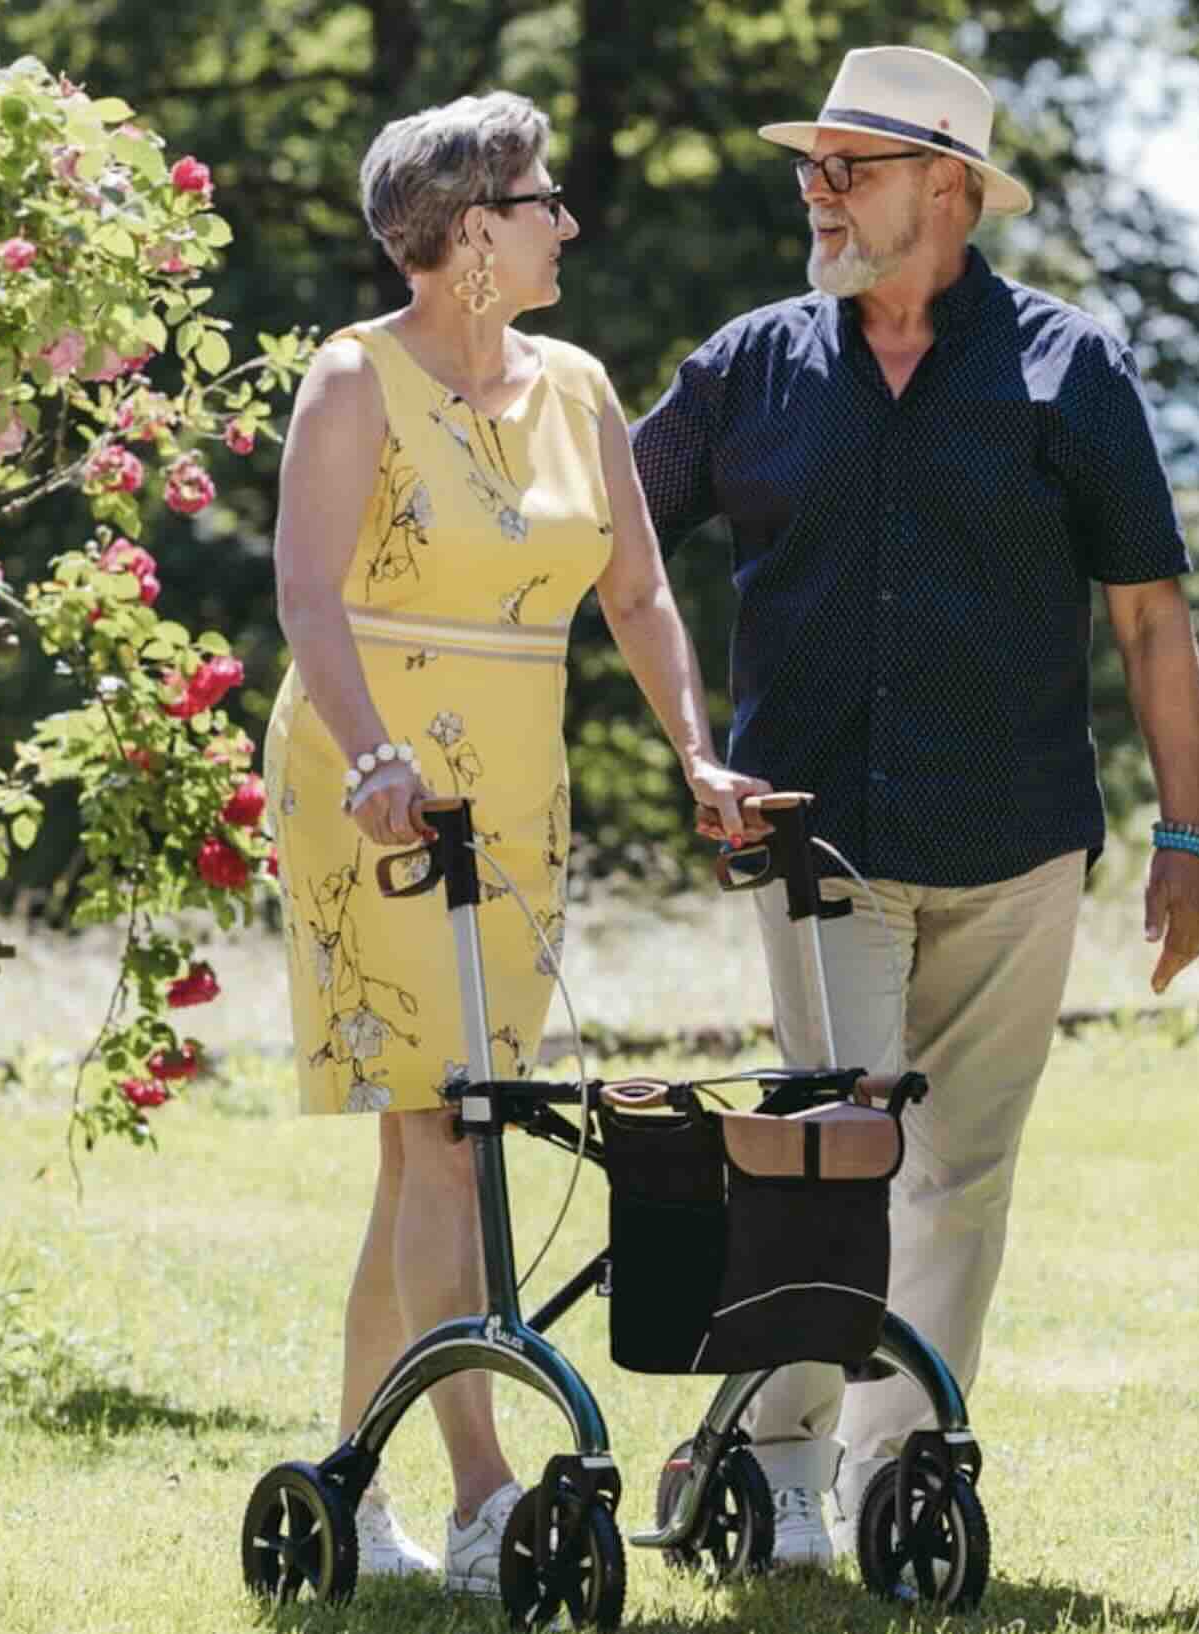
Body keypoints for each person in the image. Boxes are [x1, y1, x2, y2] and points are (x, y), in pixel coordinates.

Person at [629, 44, 1199, 1568]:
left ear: (949, 190)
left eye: (855, 166)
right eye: (812, 166)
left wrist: (1187, 834)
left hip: (1017, 842)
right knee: (832, 1150)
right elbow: (608, 539)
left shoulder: (1065, 369)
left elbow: (1154, 618)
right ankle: (776, 1476)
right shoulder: (750, 365)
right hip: (814, 842)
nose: (818, 192)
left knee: (960, 1172)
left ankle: (905, 1480)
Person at [264, 90, 768, 1594]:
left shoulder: (579, 385)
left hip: (520, 796)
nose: (566, 220)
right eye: (541, 199)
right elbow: (305, 593)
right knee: (444, 1127)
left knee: (425, 1144)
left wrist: (695, 747)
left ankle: (346, 1482)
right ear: (471, 231)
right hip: (379, 791)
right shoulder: (354, 380)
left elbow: (639, 591)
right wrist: (369, 756)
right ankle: (486, 1491)